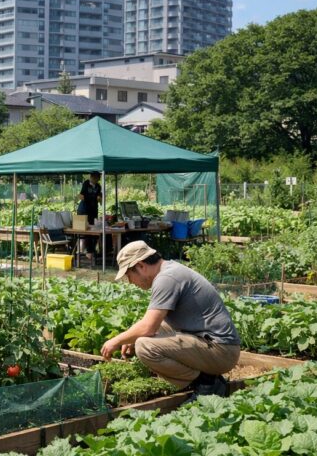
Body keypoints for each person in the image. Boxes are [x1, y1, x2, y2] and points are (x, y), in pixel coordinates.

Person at [99, 240, 240, 401]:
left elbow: (148, 328)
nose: (130, 282)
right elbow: (154, 322)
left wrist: (116, 341)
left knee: (144, 346)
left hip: (221, 351)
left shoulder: (167, 278)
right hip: (213, 345)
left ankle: (207, 383)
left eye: (129, 276)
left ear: (140, 266)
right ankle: (204, 380)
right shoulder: (169, 270)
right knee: (143, 334)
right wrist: (131, 336)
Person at [78, 171, 102, 257]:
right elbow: (82, 195)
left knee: (94, 230)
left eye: (97, 178)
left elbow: (99, 197)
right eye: (94, 177)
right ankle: (88, 250)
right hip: (84, 210)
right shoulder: (86, 183)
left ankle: (92, 249)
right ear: (91, 177)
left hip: (93, 210)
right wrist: (93, 197)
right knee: (87, 230)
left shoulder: (98, 186)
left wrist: (100, 198)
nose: (95, 179)